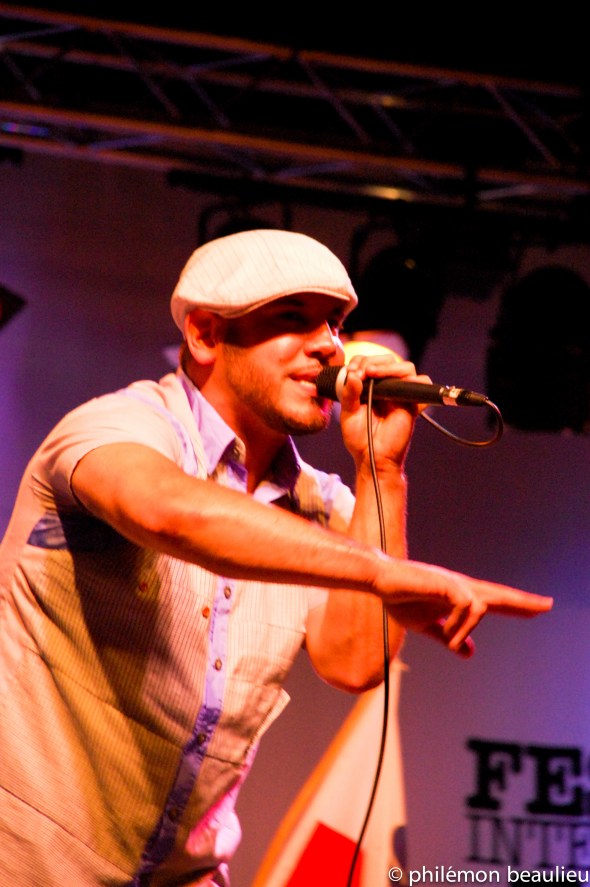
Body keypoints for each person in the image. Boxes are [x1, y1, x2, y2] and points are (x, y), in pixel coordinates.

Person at [0, 228, 551, 886]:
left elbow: (353, 662)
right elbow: (172, 512)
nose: (329, 346)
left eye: (335, 323)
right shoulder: (119, 426)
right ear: (205, 334)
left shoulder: (321, 505)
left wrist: (381, 472)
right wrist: (384, 572)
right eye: (293, 319)